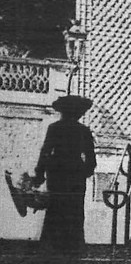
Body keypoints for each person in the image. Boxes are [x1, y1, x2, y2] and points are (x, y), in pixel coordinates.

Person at [31, 95, 97, 252]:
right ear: (79, 113)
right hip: (75, 174)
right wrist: (83, 172)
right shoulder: (84, 131)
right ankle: (73, 247)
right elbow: (91, 159)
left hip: (57, 172)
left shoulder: (54, 128)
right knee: (74, 210)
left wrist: (40, 174)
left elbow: (45, 152)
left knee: (55, 209)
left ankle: (50, 247)